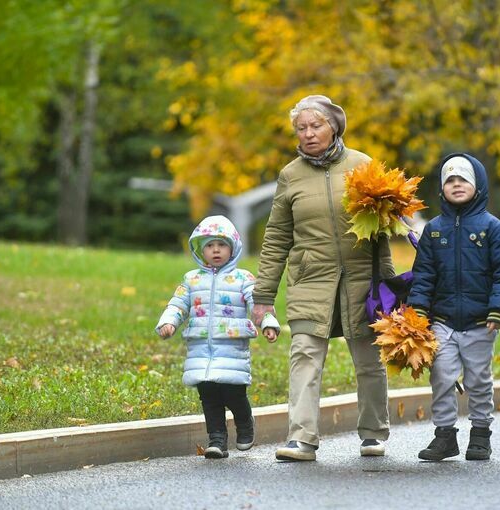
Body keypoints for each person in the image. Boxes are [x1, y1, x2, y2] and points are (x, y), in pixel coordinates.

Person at [252, 94, 395, 461]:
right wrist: (263, 294)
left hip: (362, 279)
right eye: (301, 128)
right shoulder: (290, 175)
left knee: (368, 360)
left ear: (334, 126)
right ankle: (301, 438)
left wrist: (390, 287)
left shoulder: (363, 165)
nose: (309, 133)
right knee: (304, 355)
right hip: (310, 278)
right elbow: (276, 237)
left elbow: (382, 232)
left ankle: (373, 433)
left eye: (316, 125)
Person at [407, 153, 500, 461]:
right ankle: (445, 437)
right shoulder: (434, 230)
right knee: (441, 377)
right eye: (449, 180)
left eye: (463, 179)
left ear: (477, 185)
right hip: (442, 320)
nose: (456, 185)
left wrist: (499, 309)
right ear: (442, 188)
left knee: (478, 381)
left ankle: (481, 435)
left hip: (480, 322)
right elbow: (423, 275)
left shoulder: (492, 228)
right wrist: (418, 311)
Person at [156, 215, 280, 459]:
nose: (215, 250)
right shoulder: (191, 280)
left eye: (221, 245)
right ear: (200, 250)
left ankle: (245, 425)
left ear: (232, 248)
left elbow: (258, 304)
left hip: (231, 348)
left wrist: (267, 322)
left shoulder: (243, 279)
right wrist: (168, 322)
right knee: (209, 397)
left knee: (233, 394)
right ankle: (217, 440)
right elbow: (178, 304)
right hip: (201, 349)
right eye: (210, 246)